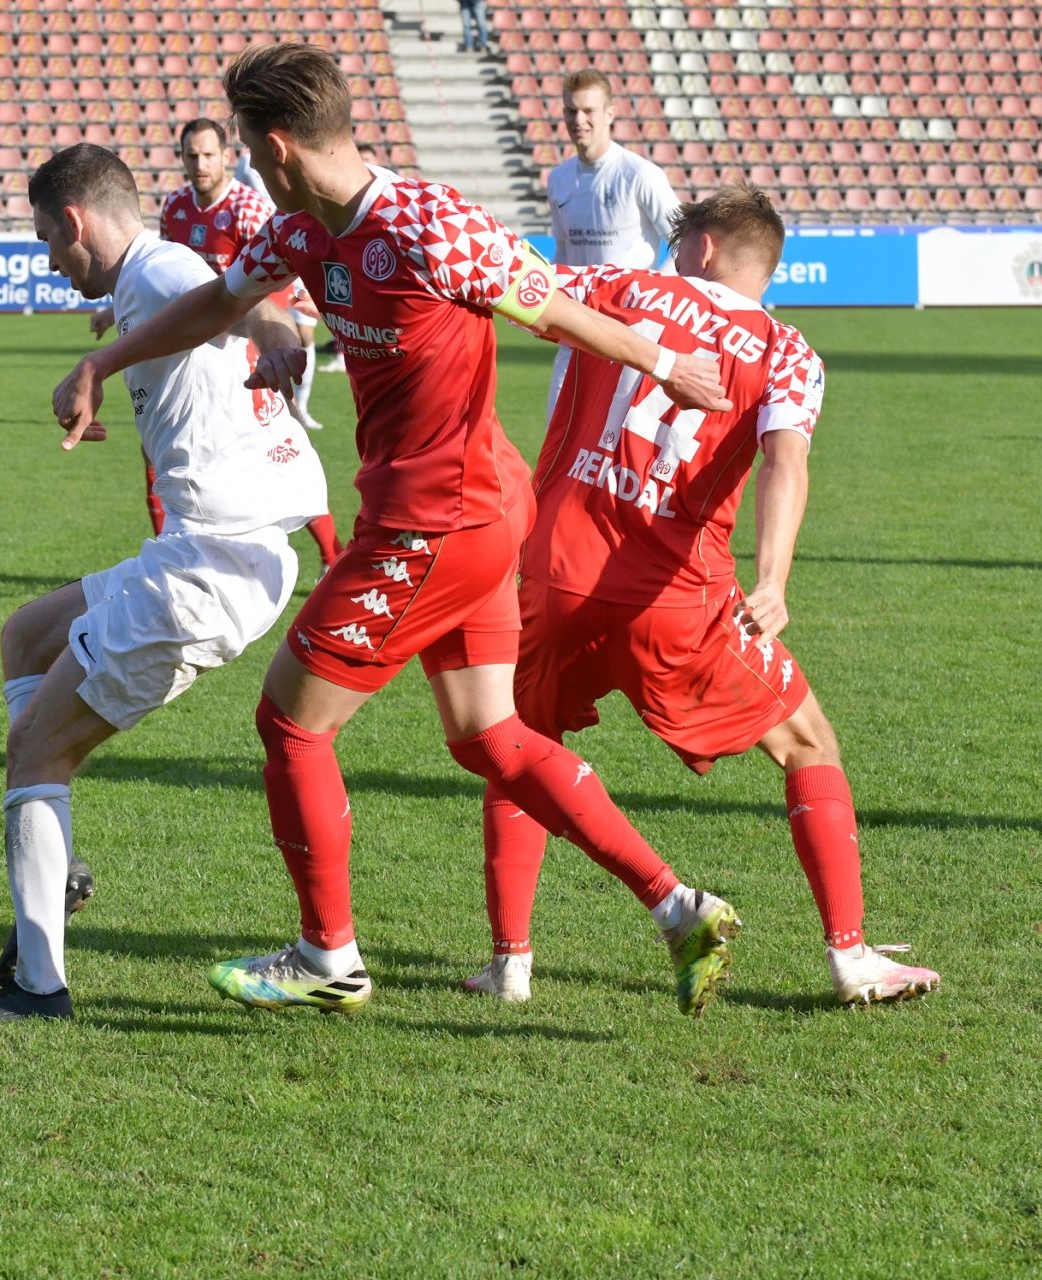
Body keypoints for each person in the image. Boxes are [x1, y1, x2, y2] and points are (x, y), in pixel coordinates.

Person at [54, 42, 740, 1018]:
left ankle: (326, 955)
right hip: (465, 513)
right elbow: (220, 301)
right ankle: (680, 907)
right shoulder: (298, 230)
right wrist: (106, 361)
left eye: (248, 145)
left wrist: (665, 365)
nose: (246, 164)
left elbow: (551, 306)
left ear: (277, 146)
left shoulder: (427, 223)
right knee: (489, 735)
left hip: (438, 523)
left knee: (290, 719)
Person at [465, 184, 940, 1007]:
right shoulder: (786, 351)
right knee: (808, 743)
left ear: (705, 247)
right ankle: (851, 957)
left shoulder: (617, 286)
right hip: (677, 600)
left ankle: (510, 964)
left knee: (520, 752)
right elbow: (786, 463)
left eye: (681, 241)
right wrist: (773, 579)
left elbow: (510, 281)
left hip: (553, 576)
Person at [0, 143, 330, 1021]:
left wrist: (275, 340)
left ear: (76, 222)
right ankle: (55, 861)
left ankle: (36, 990)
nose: (49, 260)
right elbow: (225, 307)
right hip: (208, 551)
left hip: (213, 566)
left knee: (36, 751)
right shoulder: (148, 283)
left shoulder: (158, 272)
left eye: (48, 239)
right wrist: (117, 352)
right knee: (26, 636)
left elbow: (255, 302)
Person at [95, 117, 340, 563]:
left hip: (244, 346)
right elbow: (164, 275)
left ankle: (330, 554)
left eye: (209, 154)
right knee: (157, 447)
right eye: (192, 155)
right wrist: (114, 310)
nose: (200, 164)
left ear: (226, 156)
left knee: (278, 453)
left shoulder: (247, 207)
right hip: (192, 345)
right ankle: (169, 552)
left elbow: (273, 276)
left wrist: (283, 321)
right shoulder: (176, 206)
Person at [546, 69, 681, 412]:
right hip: (576, 329)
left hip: (630, 335)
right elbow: (563, 250)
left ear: (609, 114)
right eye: (571, 110)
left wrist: (652, 295)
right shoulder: (558, 179)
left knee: (620, 438)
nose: (579, 120)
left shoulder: (640, 174)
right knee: (557, 431)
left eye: (588, 111)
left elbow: (683, 239)